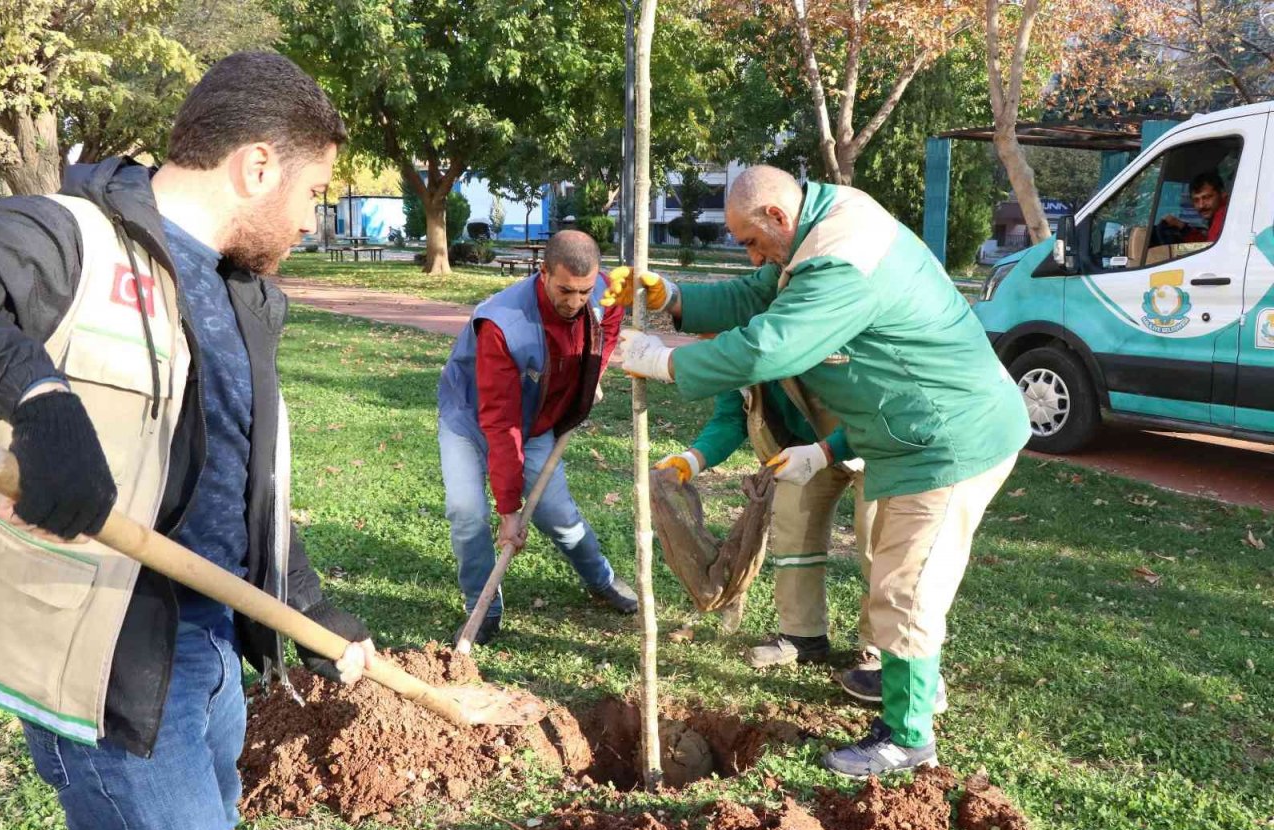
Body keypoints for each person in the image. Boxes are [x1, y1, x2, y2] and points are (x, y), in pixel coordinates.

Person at [0, 52, 377, 830]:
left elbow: (239, 473)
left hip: (207, 652)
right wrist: (37, 395)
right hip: (111, 672)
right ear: (258, 166)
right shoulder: (69, 236)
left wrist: (304, 604)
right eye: (314, 193)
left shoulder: (244, 290)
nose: (312, 220)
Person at [608, 165, 1029, 777]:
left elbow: (766, 346)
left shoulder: (841, 260)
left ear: (778, 217)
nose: (751, 257)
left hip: (949, 438)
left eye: (751, 242)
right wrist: (671, 299)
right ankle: (909, 681)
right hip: (907, 432)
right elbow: (759, 295)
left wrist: (665, 362)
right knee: (897, 574)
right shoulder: (820, 226)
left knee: (906, 588)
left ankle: (909, 737)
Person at [437, 231, 638, 646]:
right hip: (472, 418)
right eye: (565, 289)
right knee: (467, 513)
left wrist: (594, 375)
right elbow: (500, 421)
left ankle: (601, 579)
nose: (576, 301)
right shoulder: (503, 324)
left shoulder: (602, 294)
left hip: (538, 421)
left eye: (584, 291)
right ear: (542, 272)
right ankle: (485, 607)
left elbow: (612, 322)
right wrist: (508, 509)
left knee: (558, 516)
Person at [654, 374, 876, 670]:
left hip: (872, 440)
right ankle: (803, 636)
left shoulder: (786, 333)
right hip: (807, 446)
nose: (711, 343)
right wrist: (692, 460)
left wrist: (662, 361)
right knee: (792, 526)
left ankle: (880, 649)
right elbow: (731, 417)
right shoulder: (733, 350)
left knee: (879, 544)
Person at [1160, 170, 1229, 243]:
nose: (1201, 205)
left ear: (1222, 193)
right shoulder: (1219, 215)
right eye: (1196, 200)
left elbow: (1211, 251)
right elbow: (1206, 244)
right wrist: (1182, 227)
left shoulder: (1224, 215)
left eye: (1207, 197)